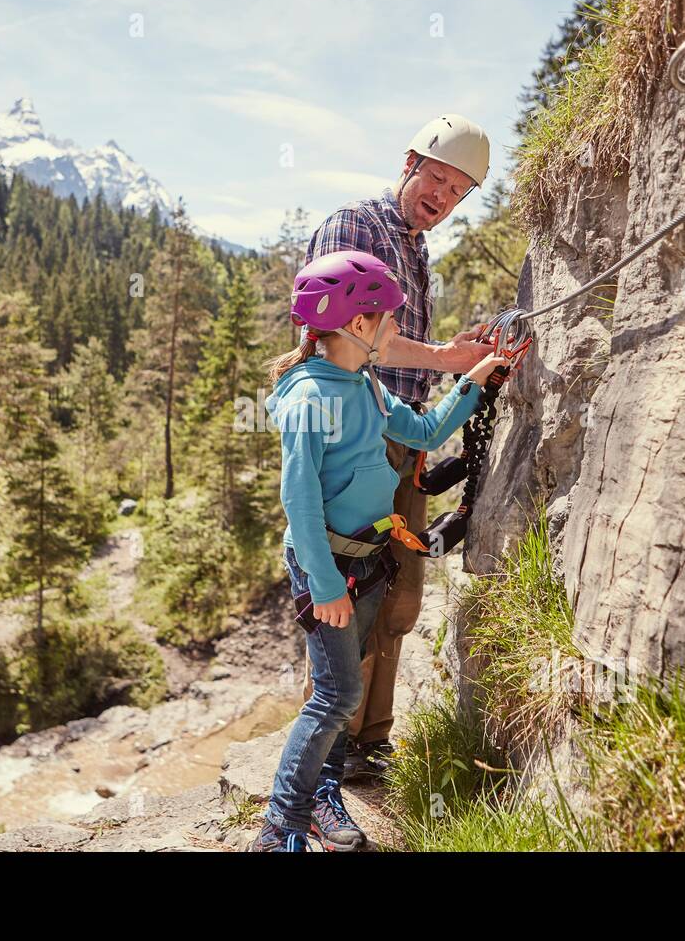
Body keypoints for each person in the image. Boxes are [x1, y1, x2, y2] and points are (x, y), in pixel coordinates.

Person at [249, 250, 515, 852]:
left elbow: (422, 434)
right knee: (337, 693)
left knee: (348, 680)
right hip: (330, 566)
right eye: (390, 319)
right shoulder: (310, 397)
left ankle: (323, 797)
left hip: (364, 560)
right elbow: (300, 502)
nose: (396, 330)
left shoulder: (362, 383)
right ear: (358, 325)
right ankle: (279, 827)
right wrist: (323, 585)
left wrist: (472, 384)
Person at [300, 114, 495, 781]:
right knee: (352, 598)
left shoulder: (413, 246)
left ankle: (367, 744)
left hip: (399, 438)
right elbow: (351, 332)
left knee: (399, 599)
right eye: (436, 178)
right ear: (409, 161)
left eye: (457, 190)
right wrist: (447, 356)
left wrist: (456, 365)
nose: (441, 196)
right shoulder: (358, 227)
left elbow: (400, 353)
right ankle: (327, 752)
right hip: (355, 437)